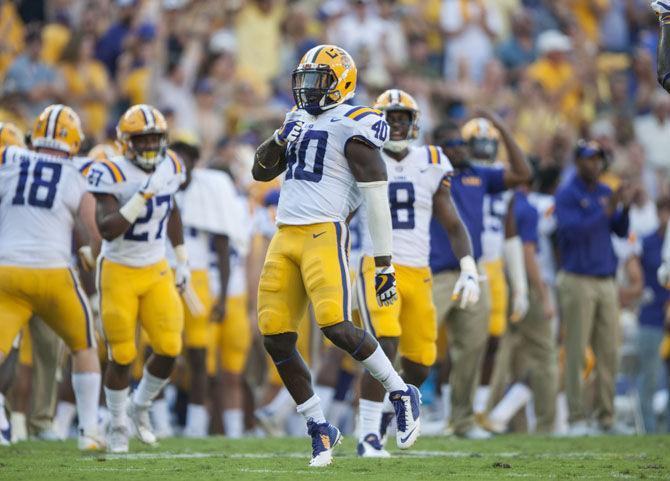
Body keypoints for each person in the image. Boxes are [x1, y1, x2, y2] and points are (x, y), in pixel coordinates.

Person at [251, 45, 423, 467]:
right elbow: (259, 171)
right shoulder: (294, 119)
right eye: (304, 79)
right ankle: (319, 428)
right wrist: (277, 138)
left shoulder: (354, 122)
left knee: (334, 324)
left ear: (341, 82)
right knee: (274, 336)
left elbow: (376, 195)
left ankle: (400, 391)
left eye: (318, 80)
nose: (308, 89)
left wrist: (384, 263)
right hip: (283, 235)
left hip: (323, 231)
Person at [355, 89, 478, 458]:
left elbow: (453, 224)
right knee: (384, 344)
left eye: (401, 118)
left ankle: (386, 420)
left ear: (414, 124)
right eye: (389, 118)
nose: (395, 124)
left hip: (419, 271)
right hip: (377, 265)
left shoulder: (432, 160)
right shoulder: (362, 156)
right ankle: (367, 436)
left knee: (422, 364)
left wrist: (468, 267)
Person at [0, 105, 103, 450]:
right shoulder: (78, 170)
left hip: (7, 271)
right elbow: (93, 229)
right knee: (84, 346)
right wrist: (90, 252)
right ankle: (88, 431)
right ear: (75, 141)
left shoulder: (9, 158)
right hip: (53, 273)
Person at [87, 104, 188, 453]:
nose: (149, 146)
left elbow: (170, 210)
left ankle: (139, 404)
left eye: (154, 139)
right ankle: (116, 424)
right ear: (125, 142)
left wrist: (182, 258)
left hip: (156, 267)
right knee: (122, 355)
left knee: (170, 347)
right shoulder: (109, 171)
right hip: (118, 269)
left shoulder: (172, 164)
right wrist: (143, 193)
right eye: (141, 140)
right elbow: (108, 228)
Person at [430, 110, 532, 440]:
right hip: (434, 273)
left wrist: (502, 127)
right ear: (438, 148)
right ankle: (386, 415)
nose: (460, 148)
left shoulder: (479, 175)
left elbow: (522, 172)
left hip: (473, 272)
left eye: (462, 143)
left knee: (473, 348)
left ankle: (462, 420)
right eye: (452, 144)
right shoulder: (427, 174)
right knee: (415, 346)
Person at [555, 140, 631, 436]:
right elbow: (574, 232)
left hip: (606, 280)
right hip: (577, 279)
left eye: (599, 159)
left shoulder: (603, 192)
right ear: (578, 162)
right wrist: (608, 208)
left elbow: (620, 231)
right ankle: (575, 417)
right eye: (589, 159)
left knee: (610, 350)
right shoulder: (567, 193)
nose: (595, 164)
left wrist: (621, 207)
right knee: (576, 350)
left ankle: (605, 416)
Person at [168, 138, 237, 438]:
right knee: (156, 349)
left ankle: (195, 425)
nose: (181, 162)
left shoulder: (210, 192)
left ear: (196, 162)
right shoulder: (159, 185)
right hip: (160, 272)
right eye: (176, 156)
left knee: (198, 355)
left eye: (187, 157)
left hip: (197, 278)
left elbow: (222, 247)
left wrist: (221, 295)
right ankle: (158, 421)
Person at [635, 197, 670, 433]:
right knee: (650, 377)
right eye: (663, 210)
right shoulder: (646, 242)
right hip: (651, 317)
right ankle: (647, 431)